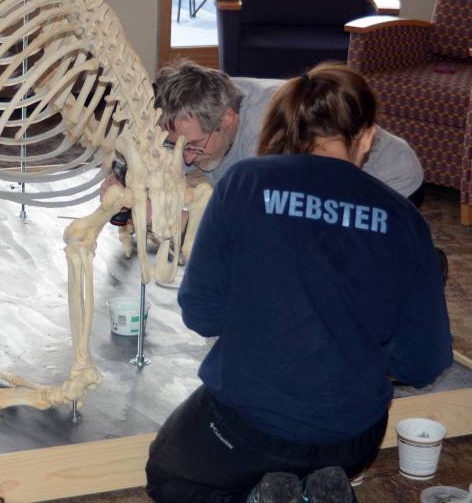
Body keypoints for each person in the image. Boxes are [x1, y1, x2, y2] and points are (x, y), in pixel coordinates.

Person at [145, 63, 453, 502]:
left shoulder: (243, 182)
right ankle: (316, 488)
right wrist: (352, 347)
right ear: (366, 136)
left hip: (249, 427)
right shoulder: (406, 220)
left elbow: (201, 313)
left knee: (169, 476)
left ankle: (260, 496)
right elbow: (423, 363)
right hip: (354, 439)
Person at [153, 61, 425, 204]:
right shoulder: (210, 97)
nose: (187, 158)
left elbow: (271, 218)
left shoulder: (265, 137)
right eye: (177, 145)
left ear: (227, 118)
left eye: (195, 146)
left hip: (391, 181)